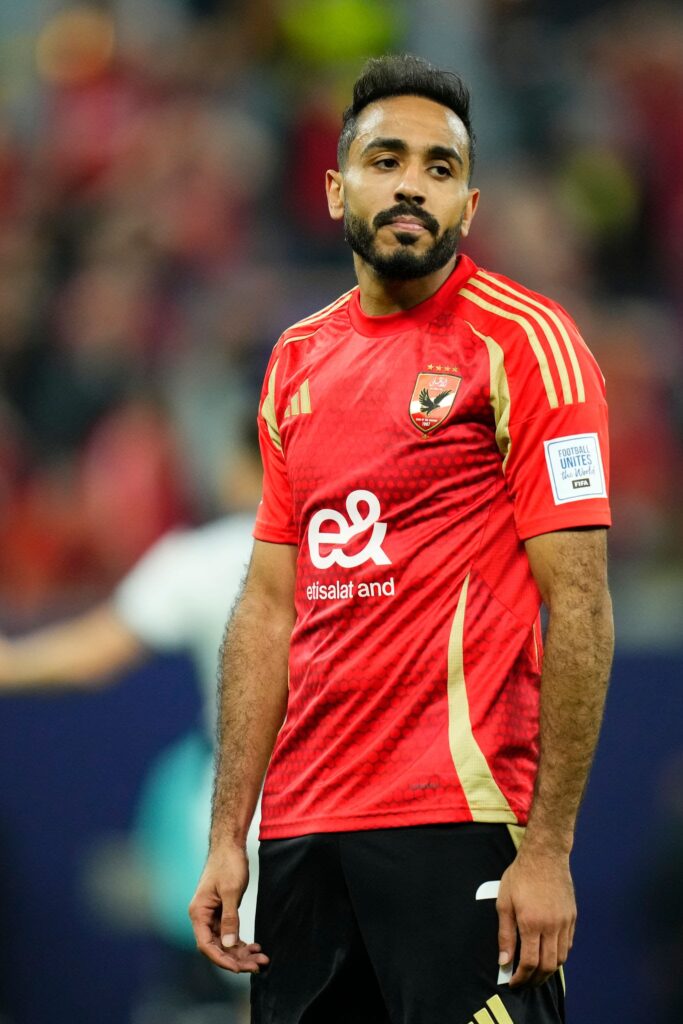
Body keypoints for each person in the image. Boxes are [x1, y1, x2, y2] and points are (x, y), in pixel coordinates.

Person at [190, 54, 614, 1024]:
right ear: (338, 186)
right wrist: (229, 833)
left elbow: (581, 601)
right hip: (302, 838)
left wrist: (546, 847)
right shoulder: (295, 359)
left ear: (468, 203)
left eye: (438, 166)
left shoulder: (525, 345)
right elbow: (266, 606)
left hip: (456, 827)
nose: (412, 183)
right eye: (387, 159)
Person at [0, 437, 262, 1022]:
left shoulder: (205, 558)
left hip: (247, 829)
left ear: (247, 461)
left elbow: (96, 653)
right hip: (360, 821)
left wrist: (11, 665)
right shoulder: (368, 545)